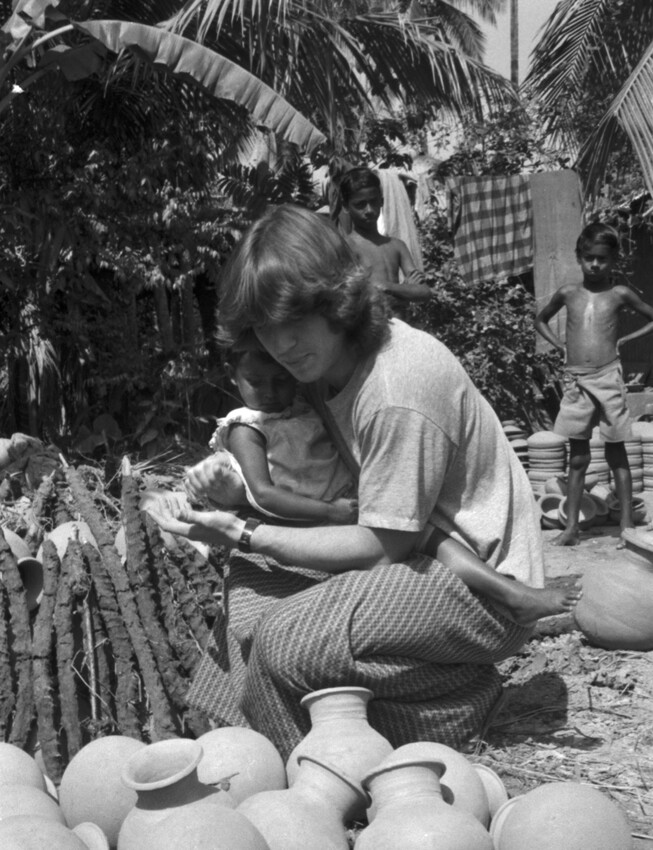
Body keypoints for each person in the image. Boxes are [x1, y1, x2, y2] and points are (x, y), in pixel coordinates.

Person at [149, 204, 565, 760]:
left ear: (337, 302)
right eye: (266, 331)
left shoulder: (396, 388)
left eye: (294, 322)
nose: (283, 346)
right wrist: (230, 499)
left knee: (284, 641)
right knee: (249, 599)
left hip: (477, 585)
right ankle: (246, 749)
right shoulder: (320, 370)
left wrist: (246, 531)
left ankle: (336, 766)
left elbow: (379, 547)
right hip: (410, 550)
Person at [535, 222, 653, 547]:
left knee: (617, 452)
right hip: (576, 380)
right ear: (579, 257)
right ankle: (572, 528)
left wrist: (626, 339)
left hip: (608, 376)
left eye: (602, 259)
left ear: (614, 260)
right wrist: (560, 346)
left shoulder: (620, 294)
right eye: (589, 258)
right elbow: (541, 319)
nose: (595, 265)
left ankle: (627, 528)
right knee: (577, 457)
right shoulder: (567, 293)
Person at [207, 337, 357, 524]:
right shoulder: (246, 428)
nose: (269, 392)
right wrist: (329, 511)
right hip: (291, 523)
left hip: (345, 507)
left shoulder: (303, 406)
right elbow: (263, 494)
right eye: (255, 382)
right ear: (232, 374)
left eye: (281, 379)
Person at [339, 167, 431, 317]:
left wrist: (386, 287)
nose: (369, 210)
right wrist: (405, 293)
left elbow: (424, 292)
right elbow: (352, 301)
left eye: (373, 202)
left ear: (381, 201)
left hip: (402, 329)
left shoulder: (396, 245)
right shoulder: (346, 248)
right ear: (346, 206)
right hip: (371, 333)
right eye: (360, 204)